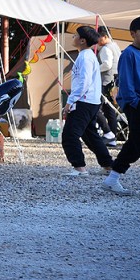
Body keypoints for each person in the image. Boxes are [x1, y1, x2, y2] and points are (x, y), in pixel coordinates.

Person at [61, 26, 113, 176]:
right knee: (90, 135)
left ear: (82, 40)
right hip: (90, 101)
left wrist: (70, 102)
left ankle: (79, 167)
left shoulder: (85, 57)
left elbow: (83, 82)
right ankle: (108, 165)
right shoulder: (87, 55)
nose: (73, 38)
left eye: (75, 35)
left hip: (84, 101)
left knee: (70, 134)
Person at [102, 17, 140, 195]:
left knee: (134, 144)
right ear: (133, 34)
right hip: (138, 106)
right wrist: (135, 104)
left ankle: (112, 179)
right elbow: (126, 84)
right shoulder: (129, 54)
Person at [95, 25, 122, 146]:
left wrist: (95, 69)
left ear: (105, 36)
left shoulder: (106, 48)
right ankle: (112, 136)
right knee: (109, 110)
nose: (97, 41)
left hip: (106, 82)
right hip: (114, 82)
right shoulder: (115, 46)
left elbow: (107, 65)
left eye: (98, 37)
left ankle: (110, 135)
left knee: (100, 109)